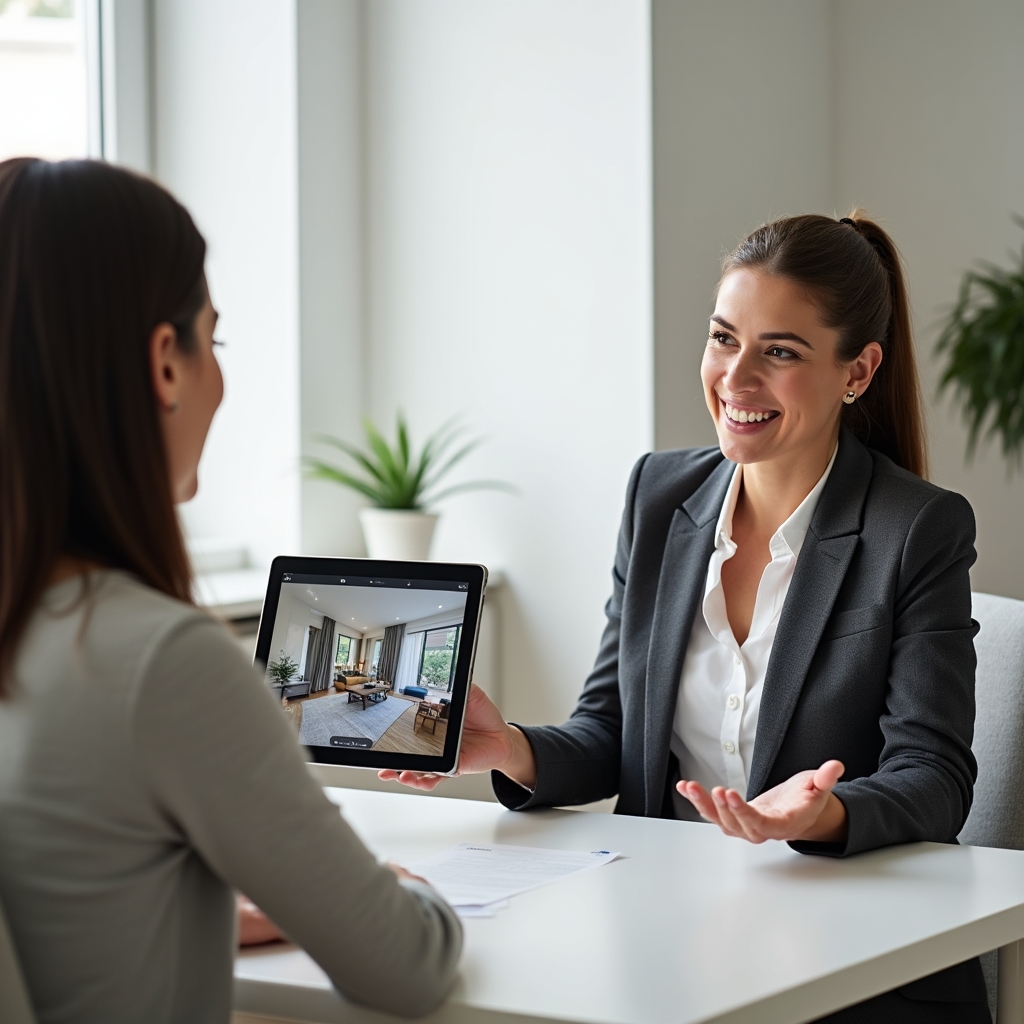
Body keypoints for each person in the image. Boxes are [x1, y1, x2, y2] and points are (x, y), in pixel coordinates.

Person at [381, 213, 989, 1022]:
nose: (736, 378)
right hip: (672, 931)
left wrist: (825, 813)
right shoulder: (659, 496)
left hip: (849, 951)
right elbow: (613, 732)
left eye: (780, 352)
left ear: (858, 370)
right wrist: (513, 750)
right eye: (723, 339)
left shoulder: (916, 528)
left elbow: (935, 777)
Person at [0, 158, 461, 1024]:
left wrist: (198, 915)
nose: (217, 375)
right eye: (212, 341)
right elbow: (405, 965)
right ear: (164, 366)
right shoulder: (160, 662)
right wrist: (404, 891)